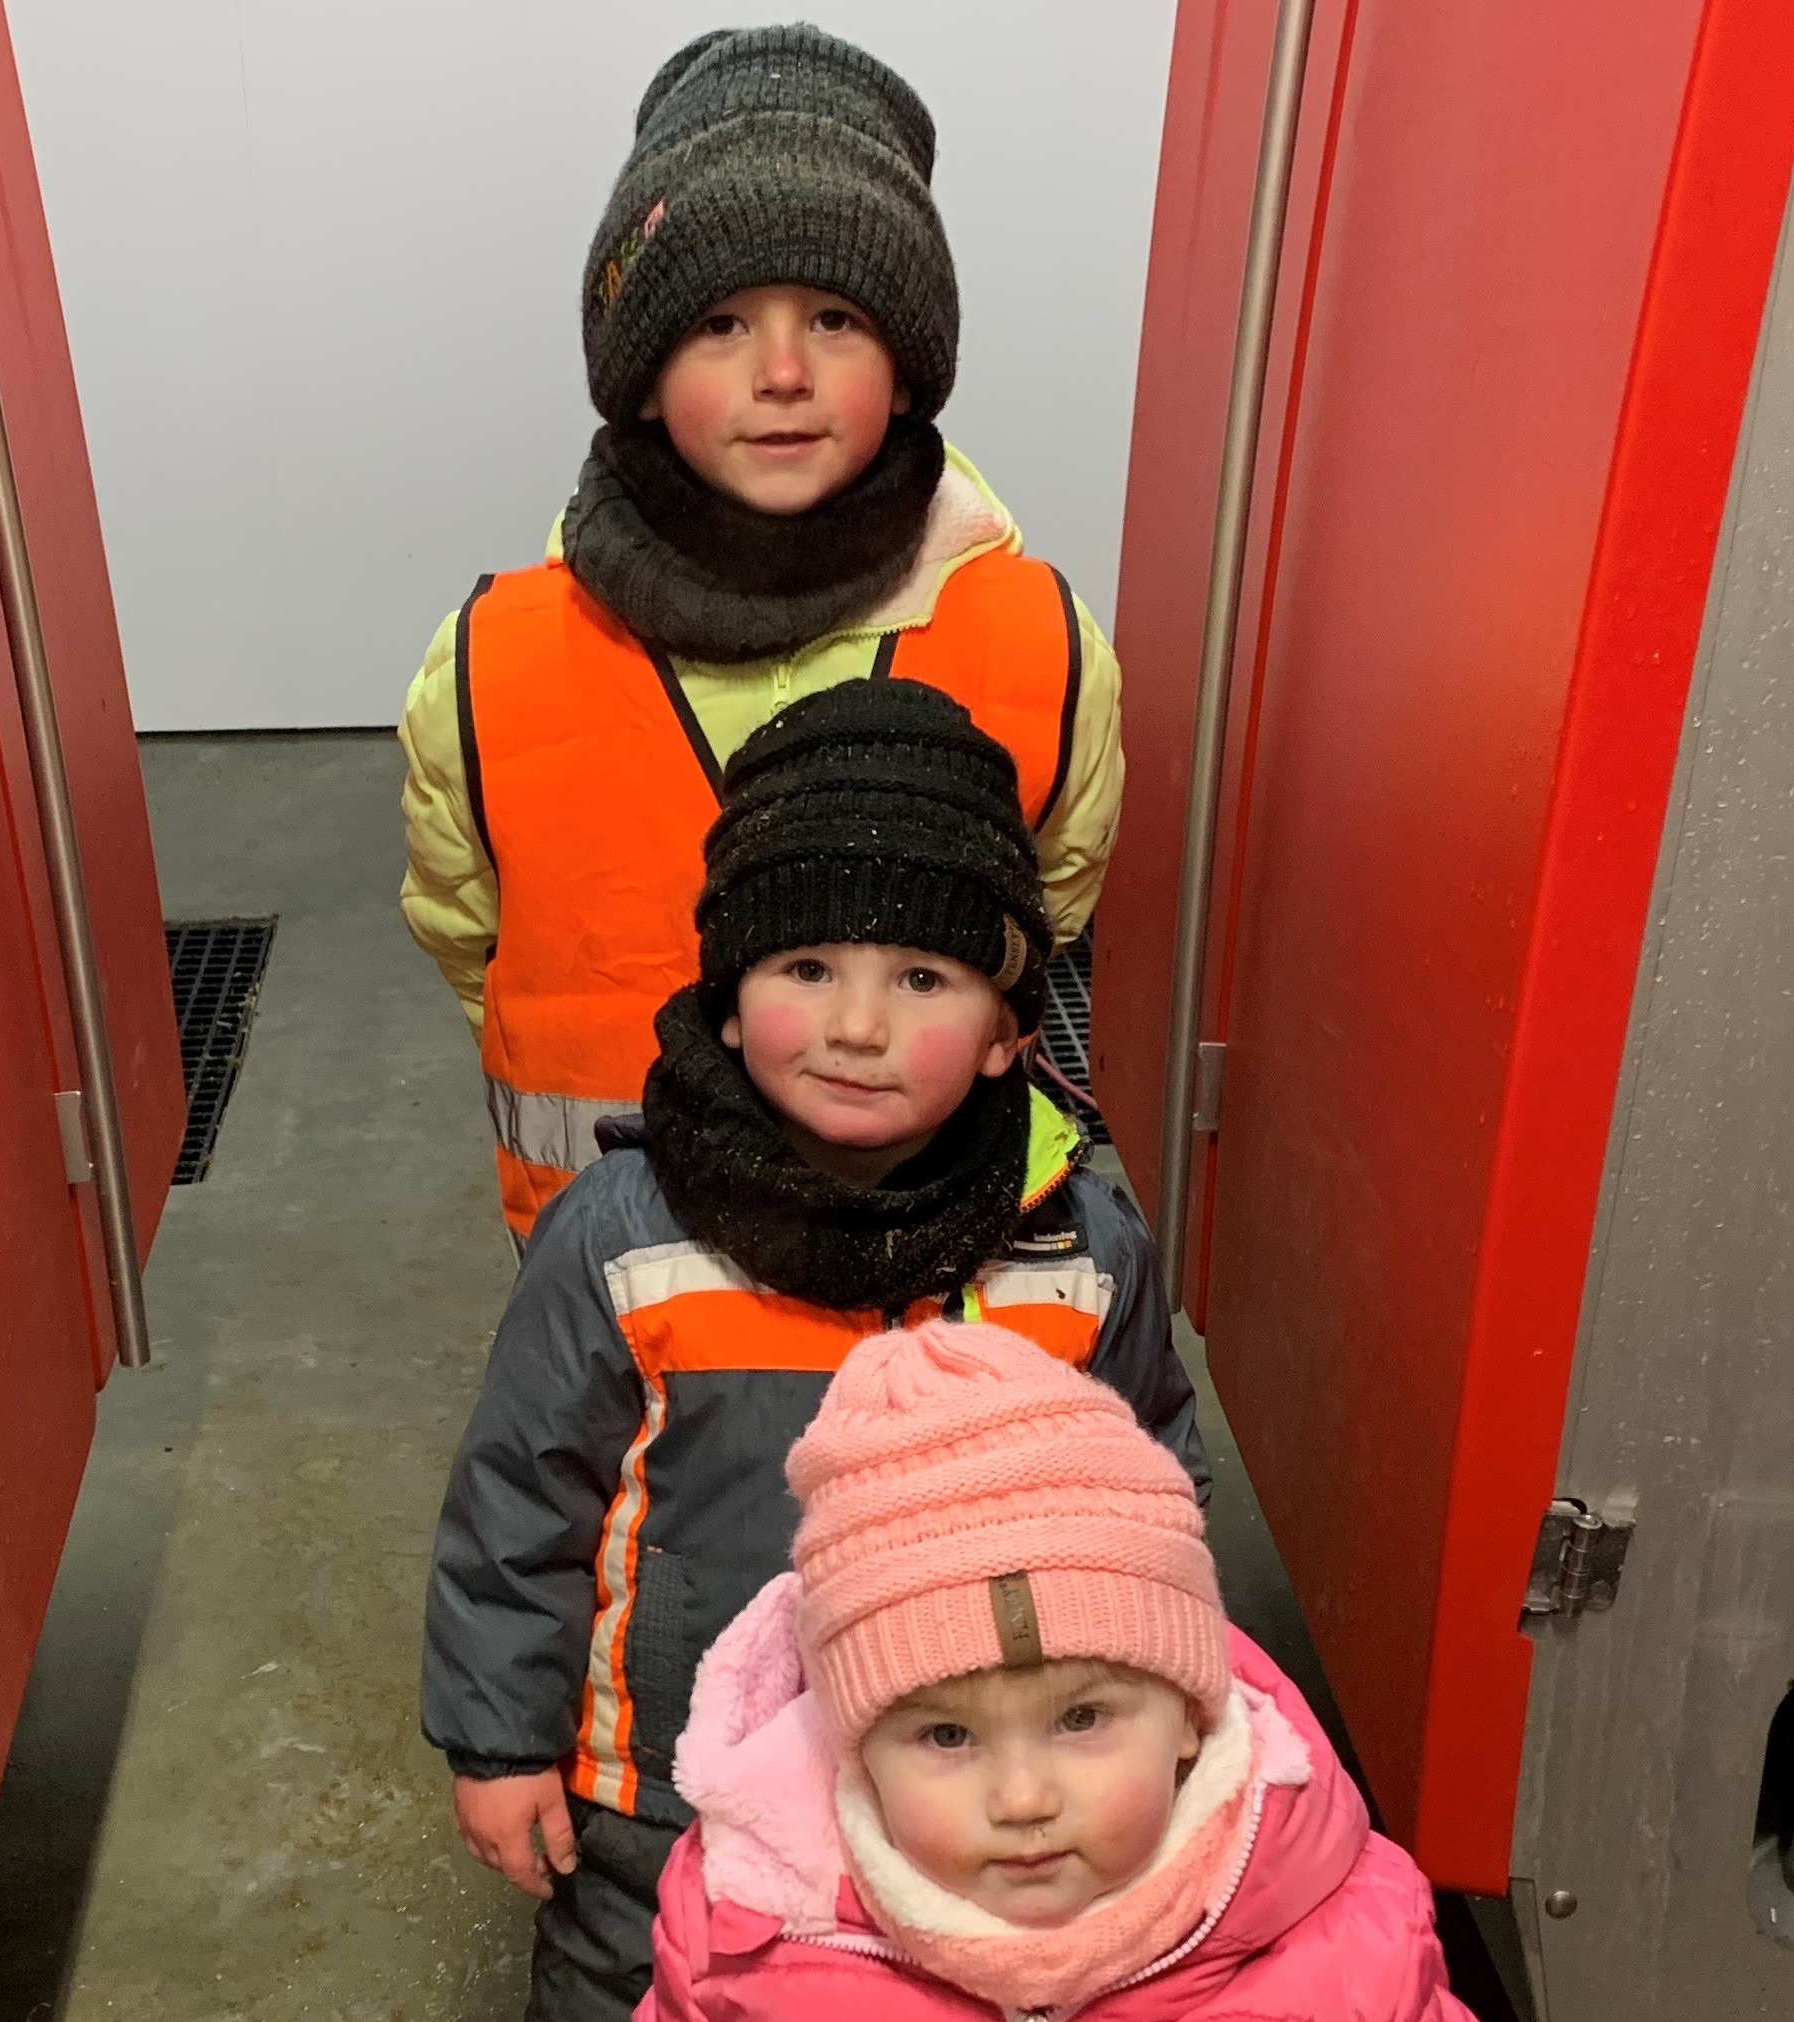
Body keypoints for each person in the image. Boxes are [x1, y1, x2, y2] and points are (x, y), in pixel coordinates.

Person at [421, 682, 1199, 2022]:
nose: (856, 1024)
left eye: (923, 976)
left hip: (970, 1781)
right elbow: (518, 1503)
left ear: (1014, 1024)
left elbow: (1154, 1504)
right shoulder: (619, 1234)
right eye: (806, 968)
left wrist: (1164, 1725)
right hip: (667, 1798)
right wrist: (498, 1741)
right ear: (726, 997)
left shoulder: (1079, 1249)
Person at [396, 22, 1128, 1241]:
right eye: (719, 323)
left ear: (907, 365)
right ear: (637, 373)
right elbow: (466, 930)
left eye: (836, 316)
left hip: (928, 1262)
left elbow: (1042, 902)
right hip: (617, 1284)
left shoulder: (1036, 642)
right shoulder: (492, 663)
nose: (780, 371)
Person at [642, 1319, 1476, 2022]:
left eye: (1082, 1718)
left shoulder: (1347, 1940)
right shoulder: (742, 1937)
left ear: (1190, 1710)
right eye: (945, 1733)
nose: (1023, 1801)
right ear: (853, 1746)